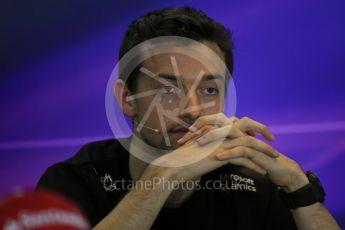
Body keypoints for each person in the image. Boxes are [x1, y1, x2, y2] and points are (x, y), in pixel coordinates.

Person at [37, 6, 340, 229]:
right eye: (168, 88)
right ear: (126, 99)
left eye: (209, 89)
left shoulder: (252, 183)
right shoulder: (74, 181)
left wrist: (299, 189)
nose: (192, 109)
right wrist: (163, 176)